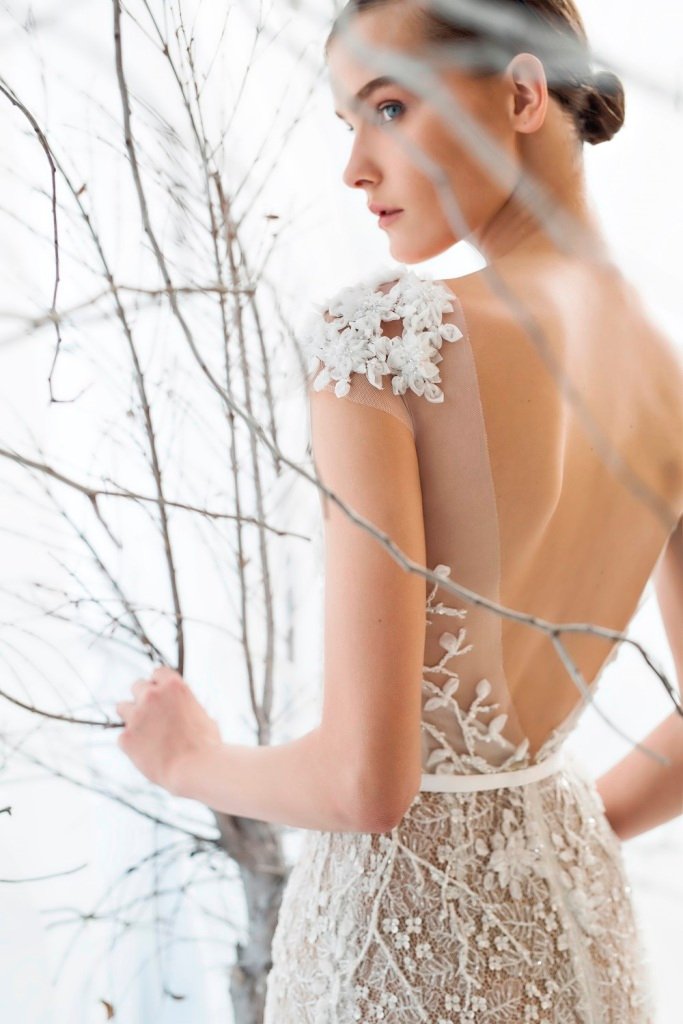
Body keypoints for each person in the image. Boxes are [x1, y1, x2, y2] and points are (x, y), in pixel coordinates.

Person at [259, 1, 683, 1021]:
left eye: (388, 109)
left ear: (523, 93)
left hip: (391, 957)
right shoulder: (665, 377)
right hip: (577, 934)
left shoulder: (383, 339)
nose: (354, 169)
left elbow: (366, 784)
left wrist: (183, 757)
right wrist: (547, 833)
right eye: (347, 125)